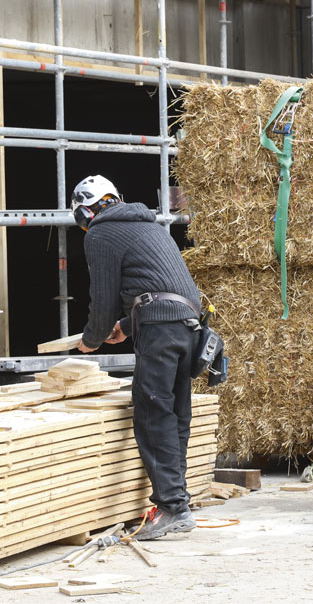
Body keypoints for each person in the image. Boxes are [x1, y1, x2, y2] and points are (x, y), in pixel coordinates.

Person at [71, 174, 203, 541]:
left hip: (160, 329)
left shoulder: (101, 233)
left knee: (150, 415)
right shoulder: (151, 227)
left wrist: (92, 339)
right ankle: (178, 503)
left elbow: (104, 297)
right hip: (188, 325)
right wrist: (126, 328)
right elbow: (160, 284)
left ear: (85, 211)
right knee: (175, 414)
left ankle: (172, 508)